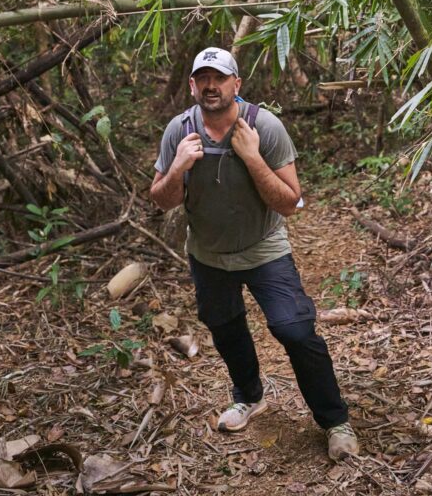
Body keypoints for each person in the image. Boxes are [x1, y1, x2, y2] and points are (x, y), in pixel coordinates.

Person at [150, 47, 359, 461]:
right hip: (208, 254)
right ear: (192, 85)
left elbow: (290, 202)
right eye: (203, 79)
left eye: (220, 78)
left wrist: (252, 157)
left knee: (295, 329)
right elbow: (161, 200)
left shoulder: (265, 126)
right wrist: (177, 167)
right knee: (224, 327)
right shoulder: (180, 130)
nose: (212, 86)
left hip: (264, 249)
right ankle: (248, 397)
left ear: (236, 84)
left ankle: (335, 421)